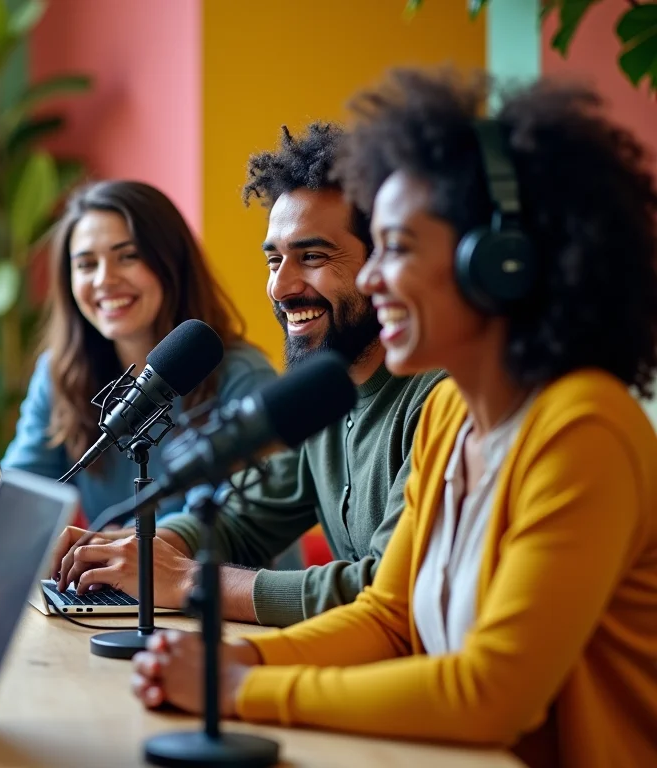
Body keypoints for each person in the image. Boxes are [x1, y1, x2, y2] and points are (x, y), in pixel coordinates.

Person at [132, 70, 657, 767]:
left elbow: (491, 693)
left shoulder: (583, 429)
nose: (373, 278)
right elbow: (388, 615)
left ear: (499, 264)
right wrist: (239, 658)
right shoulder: (451, 414)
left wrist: (242, 689)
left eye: (398, 249)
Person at [51, 124, 445, 626]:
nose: (280, 287)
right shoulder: (324, 394)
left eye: (313, 257)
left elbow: (384, 591)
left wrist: (186, 580)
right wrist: (139, 548)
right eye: (274, 260)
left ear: (381, 262)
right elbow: (242, 520)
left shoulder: (439, 398)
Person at [0, 179, 278, 526]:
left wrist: (124, 544)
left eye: (128, 256)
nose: (104, 279)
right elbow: (26, 480)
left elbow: (243, 517)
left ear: (172, 262)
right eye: (86, 264)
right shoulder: (61, 372)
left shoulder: (242, 374)